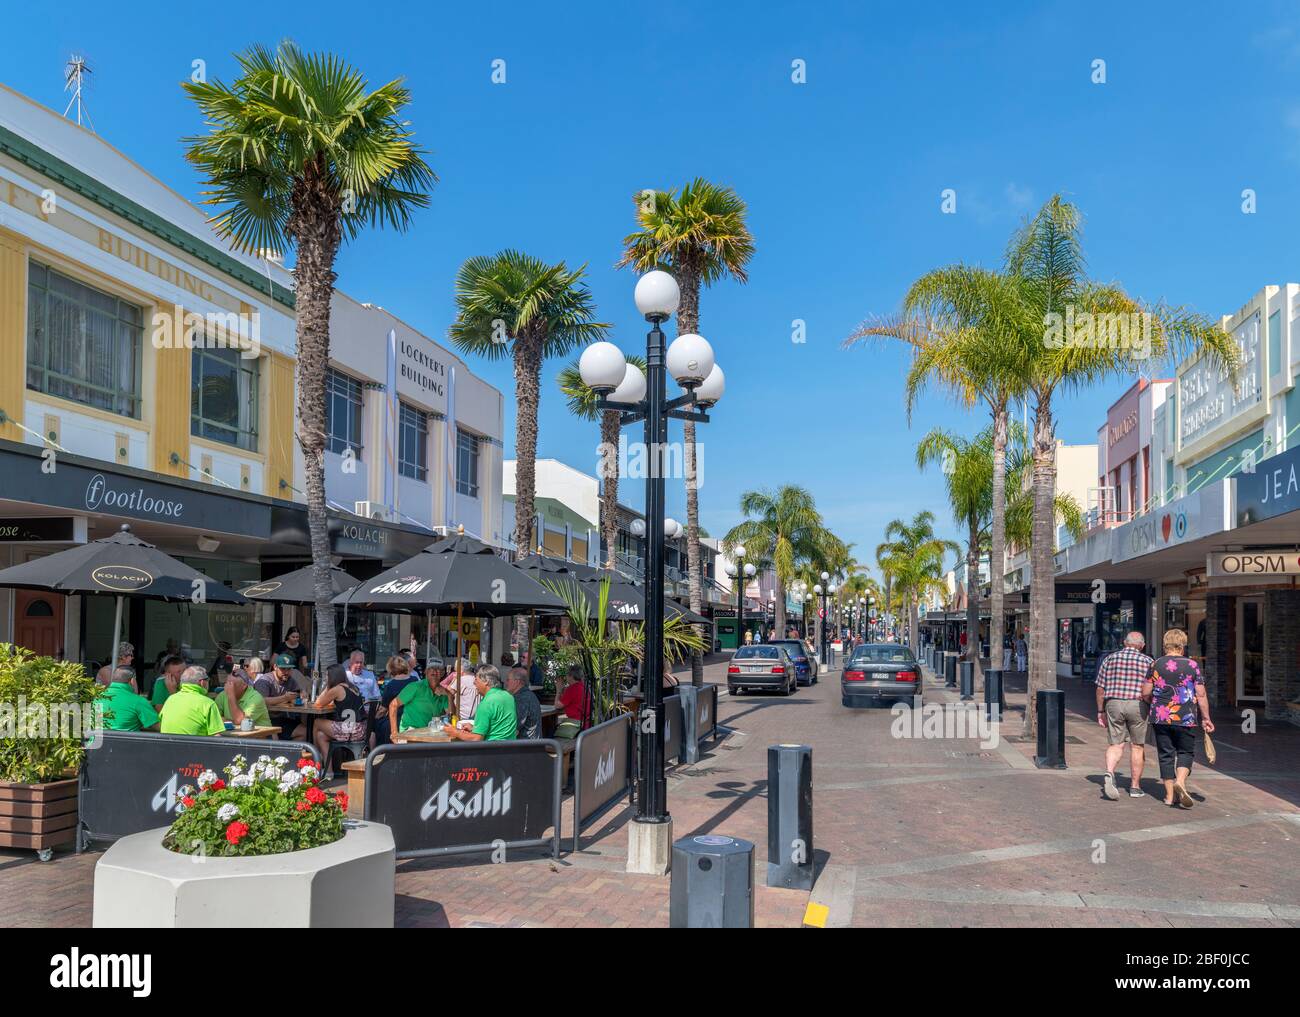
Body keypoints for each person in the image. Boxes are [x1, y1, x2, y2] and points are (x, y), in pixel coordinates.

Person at [1143, 628, 1214, 809]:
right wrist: (1206, 717)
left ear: (1165, 644)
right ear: (1182, 645)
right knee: (1185, 751)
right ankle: (1181, 782)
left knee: (1166, 754)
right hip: (1186, 716)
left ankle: (1168, 796)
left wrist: (1155, 702)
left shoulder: (1155, 664)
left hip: (1160, 717)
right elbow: (1201, 693)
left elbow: (1145, 692)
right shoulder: (1192, 665)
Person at [1094, 631, 1153, 801]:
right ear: (1142, 646)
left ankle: (1110, 772)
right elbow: (1150, 689)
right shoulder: (1148, 661)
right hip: (1137, 704)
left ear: (1124, 643)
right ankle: (1135, 787)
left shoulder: (1110, 659)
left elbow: (1100, 688)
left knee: (1116, 743)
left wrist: (1100, 711)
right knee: (1137, 746)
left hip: (1114, 703)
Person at [313, 663, 368, 767]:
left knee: (317, 722)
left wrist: (328, 687)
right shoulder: (353, 687)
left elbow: (318, 703)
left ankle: (316, 754)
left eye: (327, 676)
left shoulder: (337, 689)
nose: (326, 678)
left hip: (349, 730)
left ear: (332, 677)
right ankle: (328, 772)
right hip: (361, 729)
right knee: (321, 735)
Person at [446, 666, 517, 742]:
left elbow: (476, 739)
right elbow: (499, 726)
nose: (474, 683)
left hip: (493, 750)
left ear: (486, 681)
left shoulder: (487, 702)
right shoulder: (508, 696)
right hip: (510, 748)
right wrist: (475, 728)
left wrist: (456, 732)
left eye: (476, 679)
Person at [390, 658, 451, 734]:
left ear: (442, 673)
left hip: (430, 733)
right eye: (431, 668)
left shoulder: (443, 692)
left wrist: (449, 695)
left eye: (438, 669)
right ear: (426, 671)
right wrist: (394, 733)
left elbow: (451, 714)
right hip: (410, 731)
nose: (435, 671)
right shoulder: (415, 687)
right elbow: (393, 705)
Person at [159, 666, 224, 736]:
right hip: (195, 746)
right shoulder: (208, 703)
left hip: (167, 746)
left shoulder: (170, 699)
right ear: (202, 682)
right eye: (208, 680)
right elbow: (217, 737)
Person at [375, 655, 425, 744]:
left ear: (390, 669)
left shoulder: (390, 686)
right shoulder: (414, 680)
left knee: (377, 725)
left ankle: (375, 752)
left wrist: (375, 717)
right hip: (416, 719)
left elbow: (383, 710)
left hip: (398, 721)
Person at [99, 666, 160, 732]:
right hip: (126, 741)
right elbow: (158, 727)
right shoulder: (138, 701)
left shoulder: (95, 698)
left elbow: (86, 726)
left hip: (97, 741)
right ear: (132, 681)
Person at [554, 664, 591, 739]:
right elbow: (566, 702)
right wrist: (562, 691)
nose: (566, 677)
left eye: (567, 675)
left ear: (571, 676)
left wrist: (558, 690)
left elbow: (557, 706)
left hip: (575, 725)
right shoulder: (584, 687)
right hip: (586, 724)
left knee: (549, 732)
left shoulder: (572, 689)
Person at [507, 666, 541, 739]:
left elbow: (513, 726)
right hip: (533, 743)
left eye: (508, 680)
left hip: (526, 746)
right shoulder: (529, 694)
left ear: (517, 682)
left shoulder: (522, 698)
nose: (506, 683)